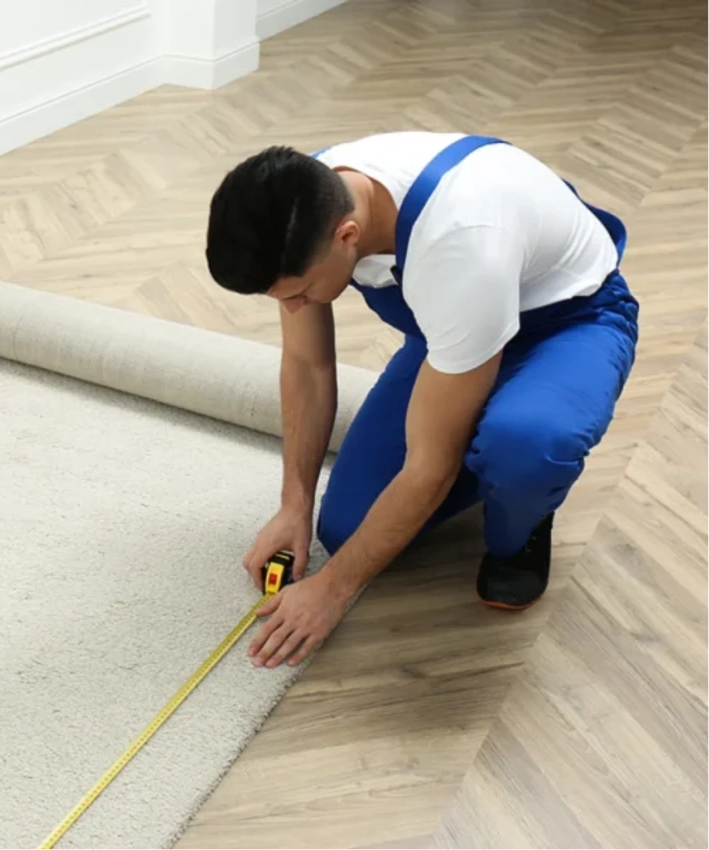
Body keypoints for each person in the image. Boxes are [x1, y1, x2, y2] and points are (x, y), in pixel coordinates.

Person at [204, 131, 639, 670]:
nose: (294, 308)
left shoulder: (461, 245)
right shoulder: (303, 200)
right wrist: (295, 504)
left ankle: (523, 518)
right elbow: (307, 366)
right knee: (345, 531)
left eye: (299, 294)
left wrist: (332, 590)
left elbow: (429, 467)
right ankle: (488, 432)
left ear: (347, 235)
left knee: (525, 445)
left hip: (568, 322)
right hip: (456, 329)